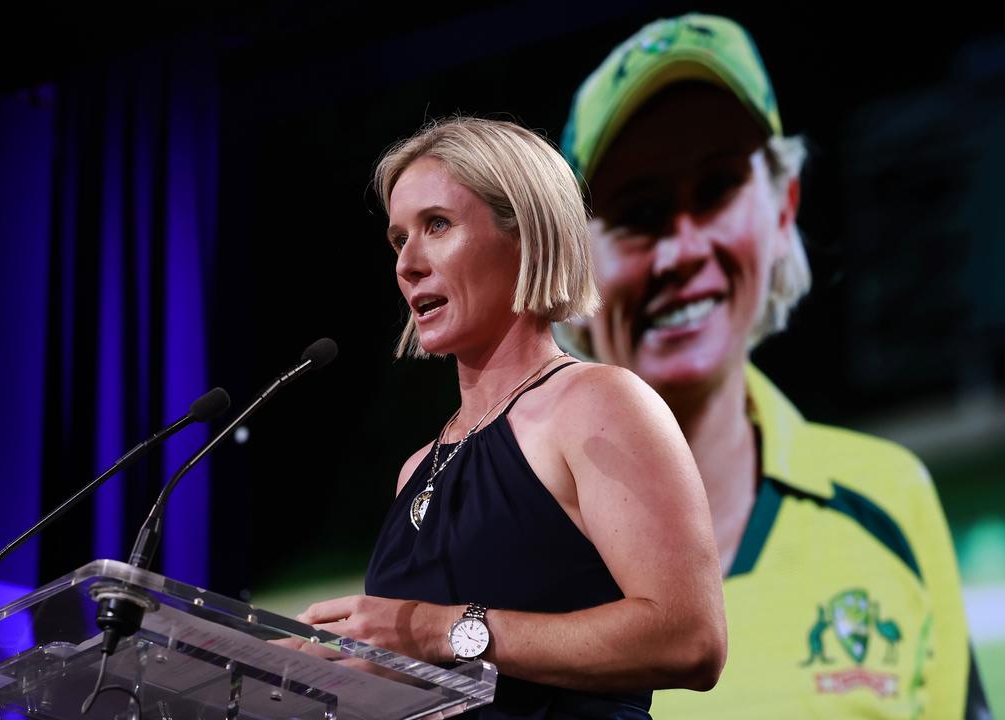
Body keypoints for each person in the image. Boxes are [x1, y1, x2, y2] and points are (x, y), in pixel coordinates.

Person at [557, 13, 990, 718]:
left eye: (718, 187)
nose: (683, 250)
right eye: (639, 212)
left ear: (783, 208)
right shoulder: (494, 537)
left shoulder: (890, 503)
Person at [296, 117, 727, 719]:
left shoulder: (597, 403)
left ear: (525, 236)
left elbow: (688, 639)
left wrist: (440, 631)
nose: (407, 264)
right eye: (398, 240)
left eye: (437, 225)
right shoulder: (416, 469)